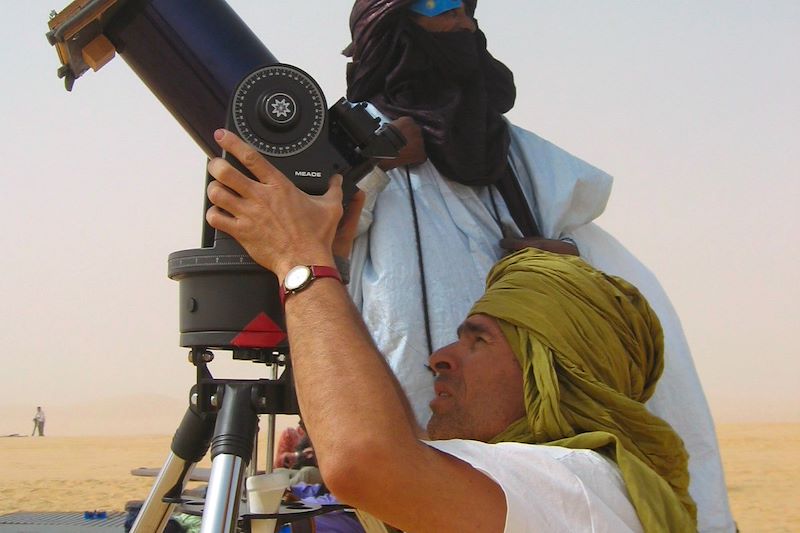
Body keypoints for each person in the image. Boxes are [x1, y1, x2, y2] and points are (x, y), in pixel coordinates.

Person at [341, 1, 734, 531]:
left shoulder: (525, 164)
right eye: (437, 4)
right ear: (388, 29)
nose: (461, 19)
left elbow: (635, 339)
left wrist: (570, 267)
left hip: (535, 476)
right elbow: (295, 235)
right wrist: (366, 166)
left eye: (466, 5)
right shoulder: (347, 149)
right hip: (407, 457)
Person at [203, 130, 695, 531]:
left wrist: (300, 261)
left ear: (549, 371)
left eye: (478, 339)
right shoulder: (551, 486)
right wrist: (329, 266)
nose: (439, 355)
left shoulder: (576, 490)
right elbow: (405, 447)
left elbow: (368, 459)